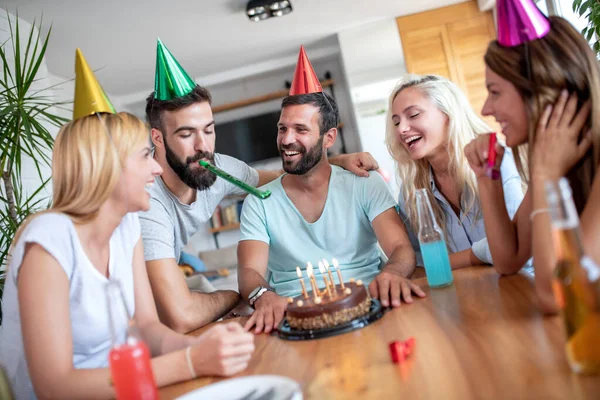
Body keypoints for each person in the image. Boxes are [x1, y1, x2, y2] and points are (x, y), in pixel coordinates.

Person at [0, 112, 255, 399]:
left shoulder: (127, 225)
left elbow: (146, 327)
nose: (157, 169)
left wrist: (199, 346)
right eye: (145, 155)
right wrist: (190, 362)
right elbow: (54, 386)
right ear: (109, 166)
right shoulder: (48, 240)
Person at [140, 40, 381, 334]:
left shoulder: (217, 167)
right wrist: (239, 295)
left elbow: (283, 180)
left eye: (209, 129)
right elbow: (182, 316)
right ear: (158, 137)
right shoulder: (146, 202)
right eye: (186, 134)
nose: (203, 146)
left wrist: (336, 160)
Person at [237, 83, 424, 334]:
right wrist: (262, 295)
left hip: (372, 306)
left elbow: (401, 249)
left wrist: (393, 273)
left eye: (300, 129)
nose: (286, 139)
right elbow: (249, 270)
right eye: (283, 129)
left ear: (329, 137)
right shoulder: (258, 202)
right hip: (292, 319)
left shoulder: (365, 184)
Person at [463, 4, 600, 314]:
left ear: (536, 89)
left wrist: (545, 178)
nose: (486, 109)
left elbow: (559, 295)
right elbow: (508, 259)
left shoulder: (553, 165)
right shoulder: (561, 156)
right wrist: (487, 178)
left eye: (495, 92)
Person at [387, 74, 524, 270]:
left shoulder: (495, 159)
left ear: (448, 115)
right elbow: (420, 263)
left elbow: (516, 246)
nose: (401, 129)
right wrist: (478, 255)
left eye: (414, 115)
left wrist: (460, 259)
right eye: (396, 122)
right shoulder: (411, 191)